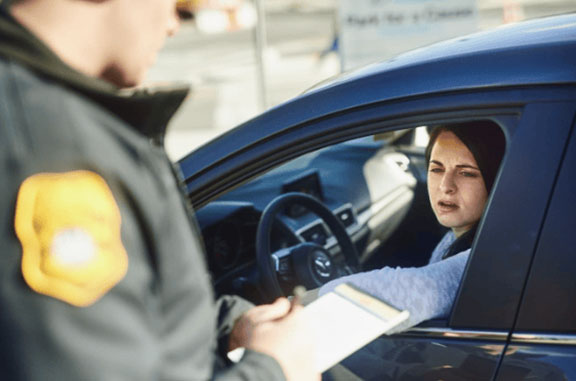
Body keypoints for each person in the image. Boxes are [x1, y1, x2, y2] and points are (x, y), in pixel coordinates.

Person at [0, 0, 318, 380]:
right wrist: (274, 370)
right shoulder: (48, 149)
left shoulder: (61, 118)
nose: (173, 24)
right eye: (176, 5)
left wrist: (229, 326)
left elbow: (128, 322)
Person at [319, 122, 506, 331]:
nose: (445, 186)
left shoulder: (493, 257)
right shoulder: (455, 237)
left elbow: (420, 290)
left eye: (466, 173)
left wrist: (309, 301)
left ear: (496, 179)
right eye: (436, 169)